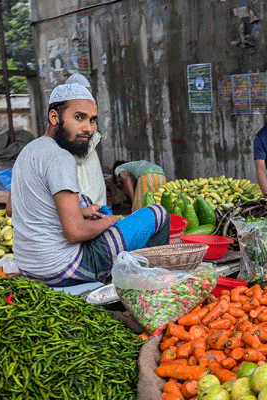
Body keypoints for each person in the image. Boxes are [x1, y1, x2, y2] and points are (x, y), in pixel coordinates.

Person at [9, 83, 169, 286]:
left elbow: (13, 208)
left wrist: (81, 212)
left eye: (92, 120)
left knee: (84, 202)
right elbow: (75, 232)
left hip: (30, 267)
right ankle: (153, 288)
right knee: (158, 214)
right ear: (54, 117)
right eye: (79, 117)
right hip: (64, 269)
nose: (89, 128)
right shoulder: (60, 157)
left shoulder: (28, 151)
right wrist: (111, 221)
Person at [65, 73, 107, 206]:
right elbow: (79, 156)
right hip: (80, 183)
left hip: (93, 178)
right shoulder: (66, 121)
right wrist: (94, 137)